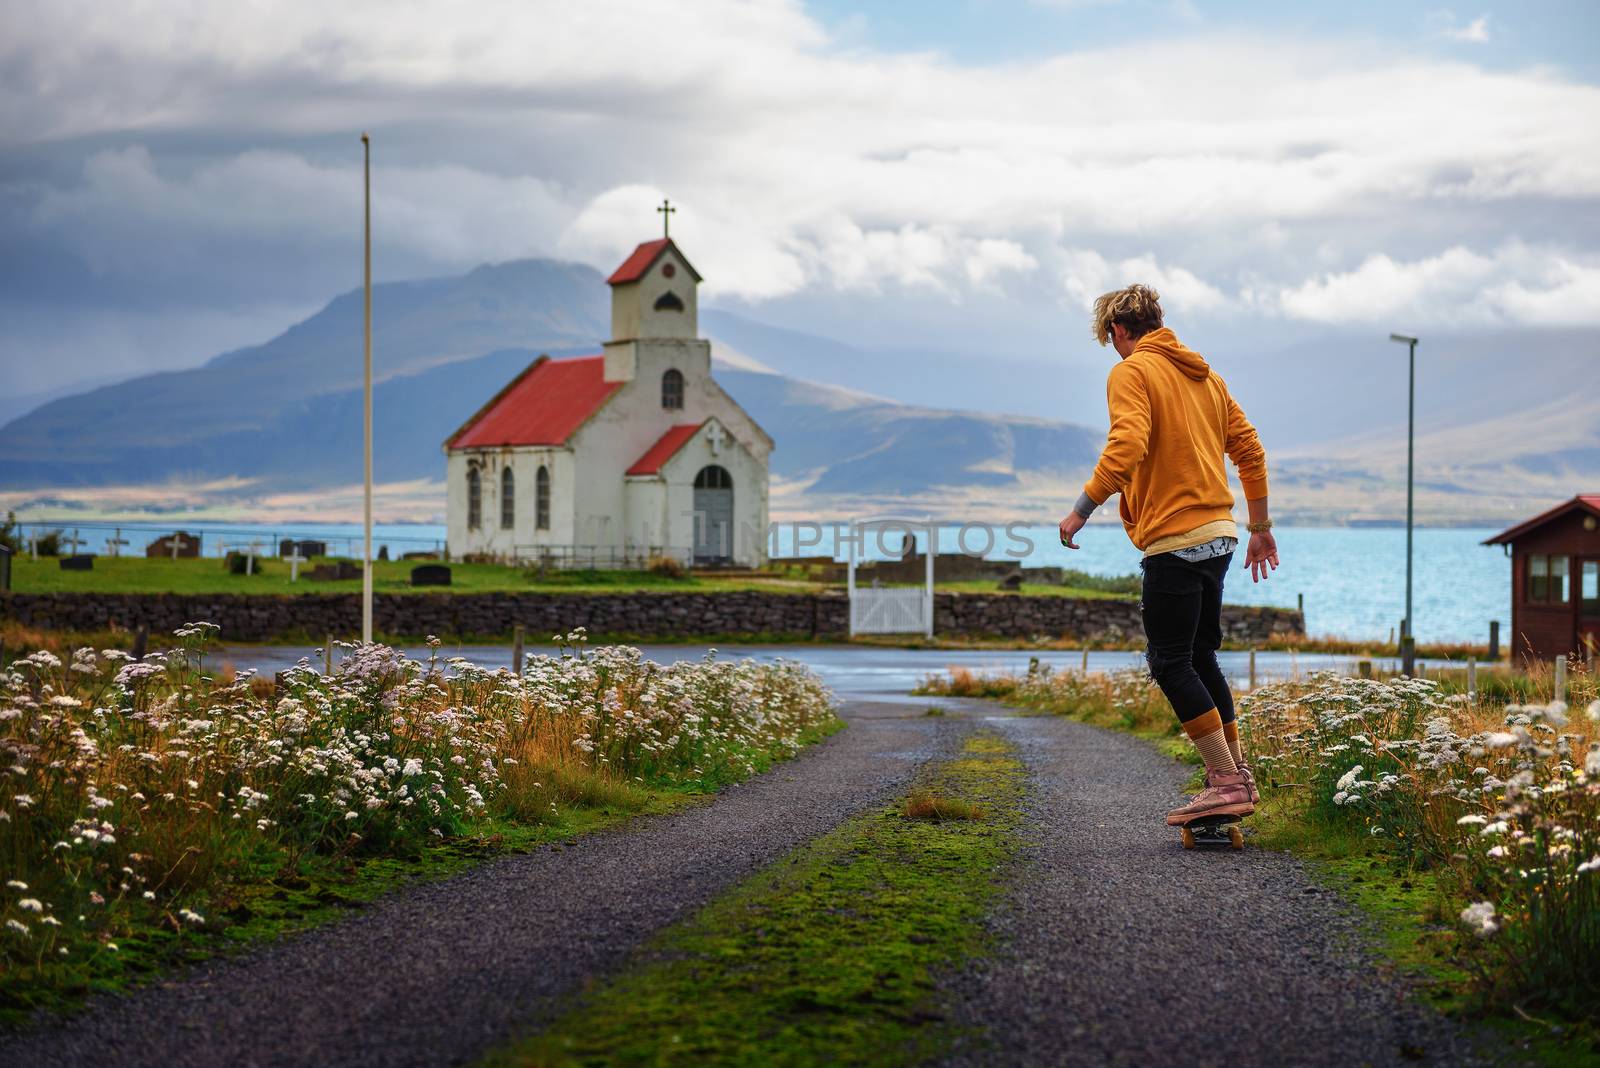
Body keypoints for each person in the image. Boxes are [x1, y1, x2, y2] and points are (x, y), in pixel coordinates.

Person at [1057, 284, 1278, 826]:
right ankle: (1236, 777)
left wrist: (1082, 508)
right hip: (1221, 534)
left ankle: (1225, 783)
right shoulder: (1206, 375)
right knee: (1200, 657)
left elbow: (1127, 444)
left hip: (1175, 540)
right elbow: (1250, 449)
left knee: (1168, 661)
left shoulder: (1131, 371)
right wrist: (1261, 527)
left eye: (1109, 338)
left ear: (1117, 331)